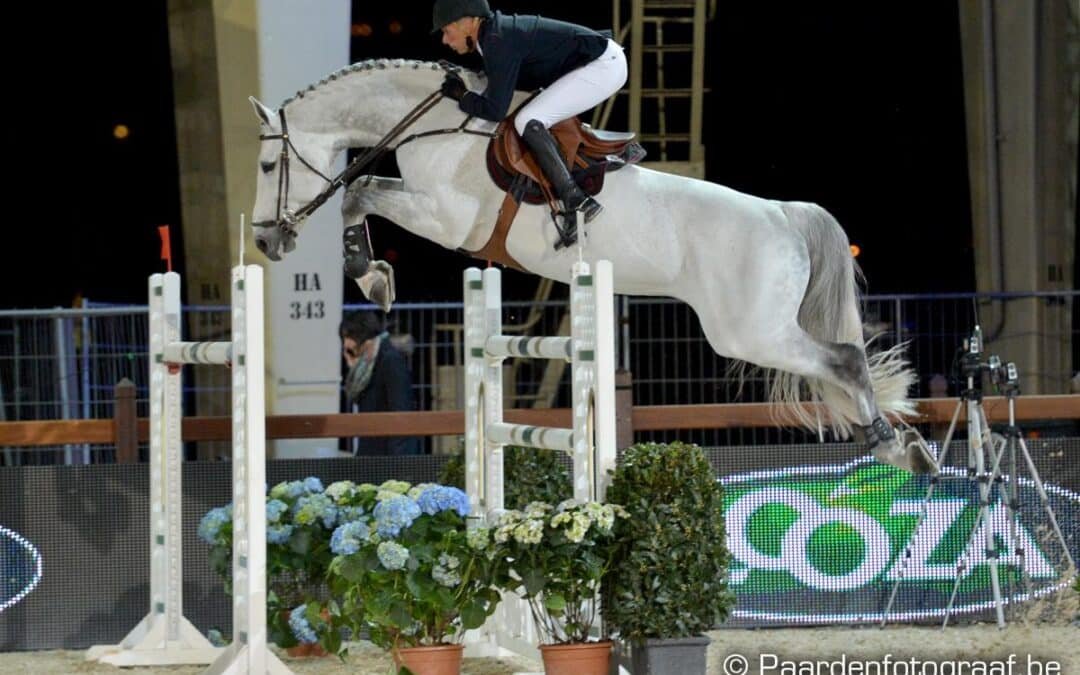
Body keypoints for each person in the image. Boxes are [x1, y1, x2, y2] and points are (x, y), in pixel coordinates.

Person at [433, 0, 627, 227]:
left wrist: (462, 96)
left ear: (467, 21)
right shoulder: (493, 36)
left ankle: (577, 200)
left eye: (446, 31)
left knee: (528, 120)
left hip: (603, 67)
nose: (444, 40)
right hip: (596, 63)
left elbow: (495, 111)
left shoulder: (498, 39)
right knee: (530, 114)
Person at [340, 311, 422, 455]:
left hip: (388, 457)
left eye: (348, 337)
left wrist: (398, 465)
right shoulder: (367, 366)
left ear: (365, 339)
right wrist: (352, 365)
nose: (346, 344)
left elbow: (401, 412)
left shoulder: (390, 361)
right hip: (372, 451)